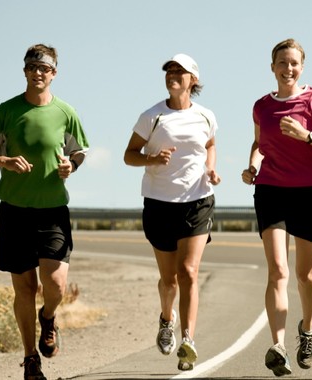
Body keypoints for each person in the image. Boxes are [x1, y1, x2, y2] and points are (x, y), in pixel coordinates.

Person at [0, 44, 89, 380]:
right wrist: (2, 160)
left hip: (52, 211)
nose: (38, 73)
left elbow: (78, 152)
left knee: (55, 284)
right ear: (25, 71)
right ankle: (30, 359)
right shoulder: (7, 111)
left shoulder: (66, 112)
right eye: (33, 67)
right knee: (23, 289)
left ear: (54, 74)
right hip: (15, 211)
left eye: (45, 68)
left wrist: (71, 166)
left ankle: (48, 317)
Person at [241, 38, 312, 377]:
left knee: (305, 275)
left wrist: (307, 136)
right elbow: (259, 144)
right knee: (278, 271)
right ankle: (277, 345)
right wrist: (253, 166)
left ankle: (308, 329)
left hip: (310, 193)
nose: (288, 69)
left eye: (294, 63)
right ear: (272, 67)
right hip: (270, 191)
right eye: (282, 63)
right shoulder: (261, 106)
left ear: (302, 67)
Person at [123, 53, 220, 372]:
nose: (173, 75)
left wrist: (211, 169)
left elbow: (209, 145)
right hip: (159, 202)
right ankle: (167, 319)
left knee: (189, 272)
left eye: (180, 72)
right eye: (169, 71)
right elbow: (129, 155)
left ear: (194, 80)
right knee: (169, 280)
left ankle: (188, 340)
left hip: (198, 201)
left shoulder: (206, 116)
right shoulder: (152, 116)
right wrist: (151, 160)